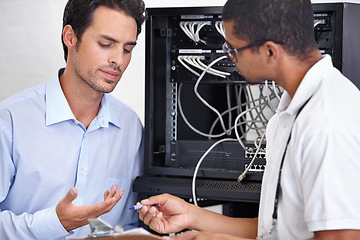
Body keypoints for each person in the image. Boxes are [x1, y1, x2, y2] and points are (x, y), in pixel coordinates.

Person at [137, 0, 360, 239]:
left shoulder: (326, 123)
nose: (230, 58)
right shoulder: (289, 114)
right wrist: (191, 216)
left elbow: (340, 237)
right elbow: (274, 231)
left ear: (269, 51)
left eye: (234, 49)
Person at [0, 0, 147, 239]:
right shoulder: (9, 121)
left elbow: (128, 223)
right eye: (106, 44)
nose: (118, 60)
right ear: (70, 37)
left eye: (127, 49)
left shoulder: (130, 127)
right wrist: (54, 223)